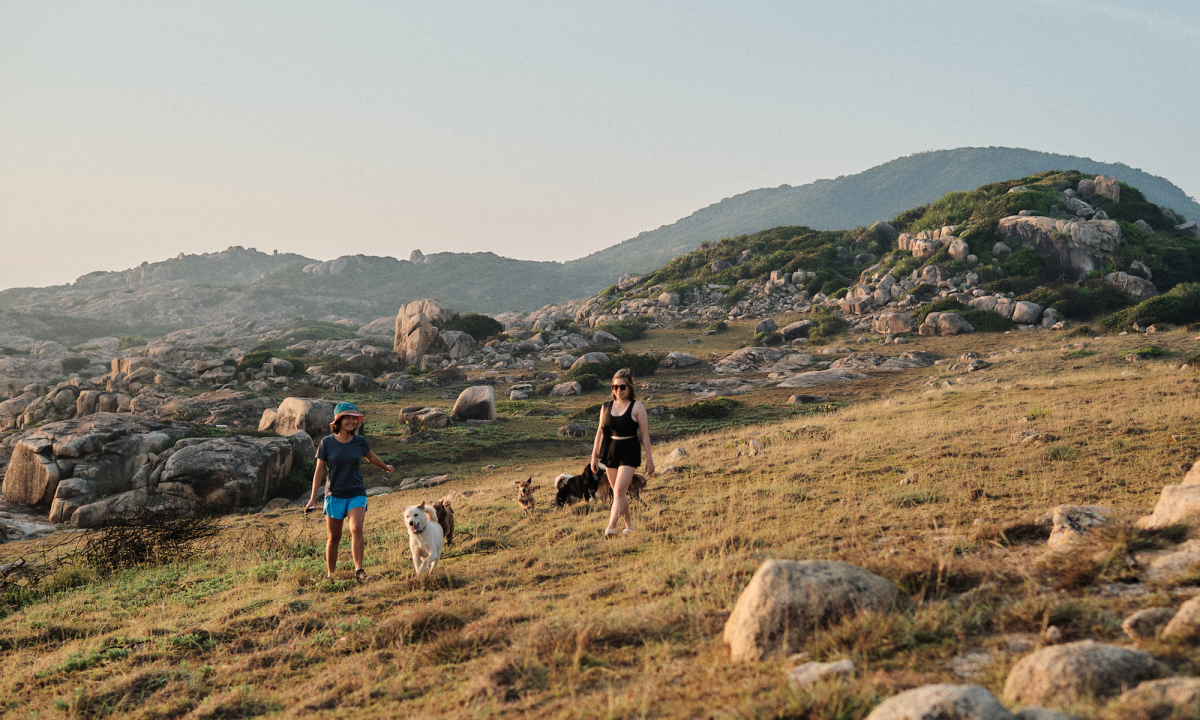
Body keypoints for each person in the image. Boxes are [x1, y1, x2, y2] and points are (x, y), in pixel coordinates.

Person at [305, 402, 393, 581]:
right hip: (334, 495)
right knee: (334, 537)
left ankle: (359, 571)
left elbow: (371, 457)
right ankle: (331, 574)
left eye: (354, 418)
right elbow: (319, 471)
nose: (352, 421)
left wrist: (385, 467)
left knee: (356, 528)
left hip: (356, 492)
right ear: (338, 420)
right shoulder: (326, 443)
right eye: (347, 418)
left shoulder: (359, 441)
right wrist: (312, 498)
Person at [590, 368, 654, 536]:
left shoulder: (637, 407)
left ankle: (610, 528)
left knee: (618, 491)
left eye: (622, 387)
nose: (618, 390)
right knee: (619, 492)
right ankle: (629, 525)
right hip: (610, 450)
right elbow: (599, 432)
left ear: (630, 387)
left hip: (629, 451)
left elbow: (645, 435)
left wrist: (649, 459)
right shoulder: (605, 407)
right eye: (615, 387)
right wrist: (594, 456)